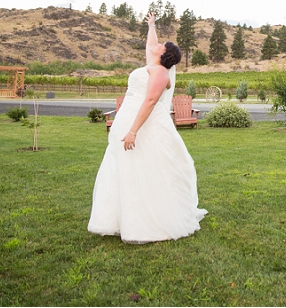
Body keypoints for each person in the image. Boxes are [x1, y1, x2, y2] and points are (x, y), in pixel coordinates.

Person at [88, 12, 207, 243]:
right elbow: (150, 44)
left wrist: (133, 131)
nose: (157, 44)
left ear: (164, 54)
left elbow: (150, 101)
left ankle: (150, 221)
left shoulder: (160, 72)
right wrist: (151, 25)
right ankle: (118, 218)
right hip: (128, 116)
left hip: (144, 123)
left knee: (146, 166)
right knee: (124, 167)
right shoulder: (152, 65)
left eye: (162, 45)